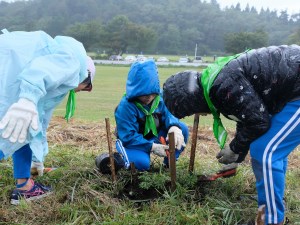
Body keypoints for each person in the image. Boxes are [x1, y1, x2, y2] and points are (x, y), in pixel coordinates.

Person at [162, 45, 300, 225]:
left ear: (191, 102)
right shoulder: (213, 80)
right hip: (291, 89)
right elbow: (248, 114)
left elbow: (259, 121)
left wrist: (234, 148)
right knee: (271, 147)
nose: (199, 115)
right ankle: (274, 208)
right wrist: (238, 156)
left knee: (266, 151)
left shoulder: (220, 86)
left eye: (188, 111)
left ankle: (271, 220)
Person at [0, 29, 96, 205]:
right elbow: (38, 72)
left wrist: (37, 158)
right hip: (9, 75)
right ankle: (24, 188)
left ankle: (24, 186)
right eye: (86, 87)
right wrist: (28, 98)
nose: (79, 91)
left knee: (22, 128)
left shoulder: (56, 58)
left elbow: (39, 121)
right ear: (86, 77)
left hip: (8, 69)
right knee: (11, 129)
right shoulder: (72, 63)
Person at [114, 59, 189, 171]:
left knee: (182, 129)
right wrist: (152, 147)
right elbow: (128, 137)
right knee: (141, 164)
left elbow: (169, 113)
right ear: (135, 90)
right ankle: (125, 157)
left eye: (152, 93)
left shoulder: (160, 97)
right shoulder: (126, 106)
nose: (149, 97)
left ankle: (168, 165)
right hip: (133, 142)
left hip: (155, 135)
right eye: (143, 93)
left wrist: (174, 126)